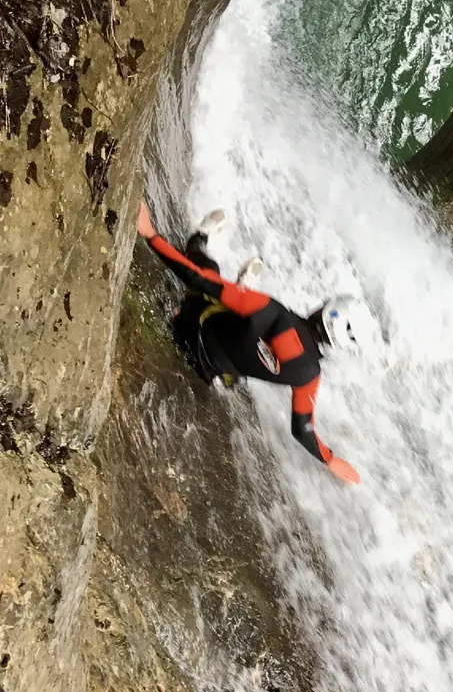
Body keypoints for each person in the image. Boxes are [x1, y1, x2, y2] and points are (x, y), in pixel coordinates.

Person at [137, 199, 361, 486]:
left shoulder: (273, 312)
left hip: (188, 330)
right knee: (242, 342)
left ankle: (200, 240)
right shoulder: (309, 376)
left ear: (322, 308)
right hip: (210, 372)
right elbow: (302, 429)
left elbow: (196, 279)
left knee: (207, 269)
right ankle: (240, 293)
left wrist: (150, 235)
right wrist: (330, 458)